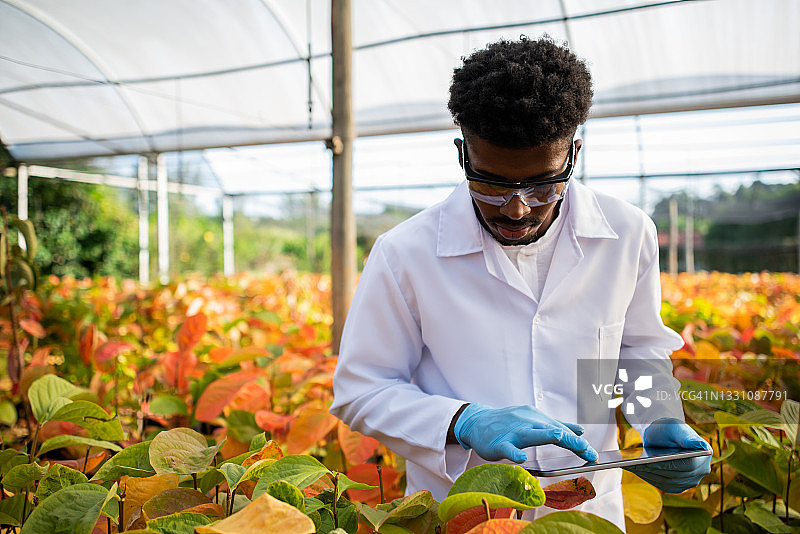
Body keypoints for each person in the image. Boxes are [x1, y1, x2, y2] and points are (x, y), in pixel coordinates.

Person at [329, 35, 711, 529]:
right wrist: (462, 421)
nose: (517, 207)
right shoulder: (405, 253)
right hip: (467, 510)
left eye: (543, 184)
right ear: (462, 153)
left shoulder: (627, 233)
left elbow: (635, 349)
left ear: (573, 153)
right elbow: (361, 388)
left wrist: (658, 417)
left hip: (587, 507)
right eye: (490, 183)